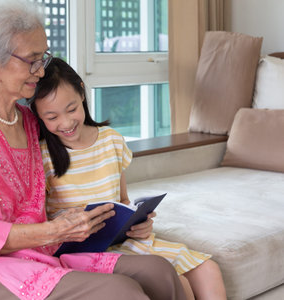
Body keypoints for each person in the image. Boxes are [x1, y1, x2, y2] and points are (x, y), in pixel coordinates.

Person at [0, 0, 186, 299]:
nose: (41, 72)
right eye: (31, 60)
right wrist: (55, 231)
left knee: (159, 271)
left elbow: (82, 163)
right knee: (121, 292)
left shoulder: (32, 122)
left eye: (43, 58)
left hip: (39, 251)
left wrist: (121, 221)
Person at [29, 57, 227, 300]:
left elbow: (122, 200)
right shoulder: (41, 156)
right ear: (38, 115)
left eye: (71, 109)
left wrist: (139, 222)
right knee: (180, 283)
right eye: (52, 117)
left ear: (82, 91)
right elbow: (39, 223)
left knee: (209, 270)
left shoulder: (111, 140)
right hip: (84, 251)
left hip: (123, 241)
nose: (66, 122)